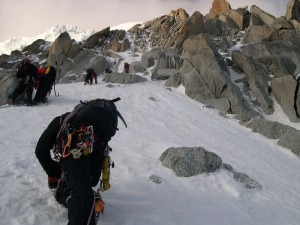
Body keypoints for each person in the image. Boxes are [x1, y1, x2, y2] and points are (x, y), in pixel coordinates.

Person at [35, 98, 127, 225]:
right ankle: (88, 203)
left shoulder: (62, 121)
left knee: (76, 192)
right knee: (82, 189)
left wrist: (55, 172)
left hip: (74, 145)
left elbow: (41, 151)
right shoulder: (98, 130)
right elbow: (93, 180)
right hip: (92, 150)